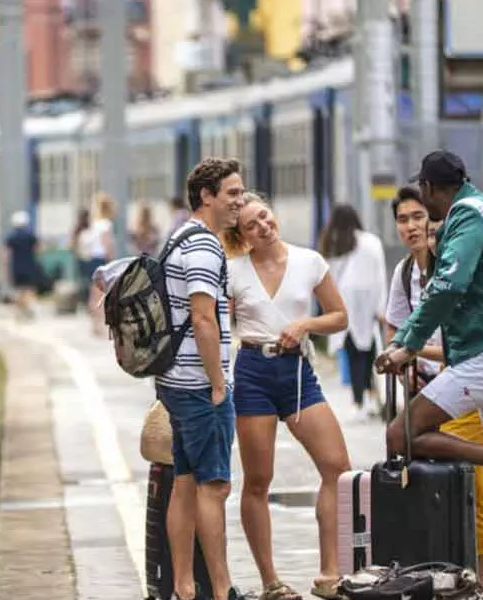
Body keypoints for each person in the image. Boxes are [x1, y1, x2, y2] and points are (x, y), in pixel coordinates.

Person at [376, 150, 483, 600]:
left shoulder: (467, 215)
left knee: (402, 436)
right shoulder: (476, 210)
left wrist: (406, 345)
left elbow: (449, 283)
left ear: (432, 189)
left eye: (424, 197)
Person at [221, 194, 352, 600]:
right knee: (258, 480)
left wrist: (305, 324)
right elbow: (218, 325)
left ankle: (330, 573)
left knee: (338, 468)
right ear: (242, 237)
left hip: (298, 373)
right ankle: (270, 581)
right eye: (251, 226)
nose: (263, 226)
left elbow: (339, 316)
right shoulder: (233, 271)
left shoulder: (309, 261)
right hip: (253, 373)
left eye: (264, 216)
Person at [383, 186, 483, 596]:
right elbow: (394, 331)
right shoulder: (404, 273)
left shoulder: (456, 265)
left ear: (436, 220)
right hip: (425, 392)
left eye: (419, 217)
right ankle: (448, 569)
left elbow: (469, 341)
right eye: (403, 219)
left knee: (480, 488)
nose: (412, 227)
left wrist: (417, 351)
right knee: (439, 485)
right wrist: (402, 359)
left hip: (466, 384)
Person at [157, 158, 246, 600]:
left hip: (175, 379)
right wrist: (217, 382)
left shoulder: (178, 237)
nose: (240, 202)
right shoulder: (205, 247)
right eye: (232, 193)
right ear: (206, 196)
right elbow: (203, 317)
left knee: (187, 483)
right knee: (215, 486)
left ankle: (185, 588)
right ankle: (222, 590)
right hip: (196, 382)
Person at [319, 204, 387, 420]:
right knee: (369, 354)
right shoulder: (371, 241)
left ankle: (358, 402)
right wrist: (381, 307)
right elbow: (380, 276)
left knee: (352, 354)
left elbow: (327, 276)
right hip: (368, 304)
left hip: (343, 304)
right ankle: (370, 397)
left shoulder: (331, 241)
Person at [78, 194, 117, 336]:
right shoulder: (106, 224)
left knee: (93, 293)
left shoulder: (94, 222)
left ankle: (94, 324)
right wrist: (111, 261)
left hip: (90, 259)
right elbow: (107, 245)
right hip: (100, 259)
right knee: (100, 294)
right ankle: (98, 325)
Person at [3, 210, 40, 318]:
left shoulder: (11, 236)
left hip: (16, 267)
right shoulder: (31, 236)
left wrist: (5, 268)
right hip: (29, 266)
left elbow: (5, 253)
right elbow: (39, 249)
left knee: (18, 290)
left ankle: (19, 311)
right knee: (29, 289)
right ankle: (27, 310)